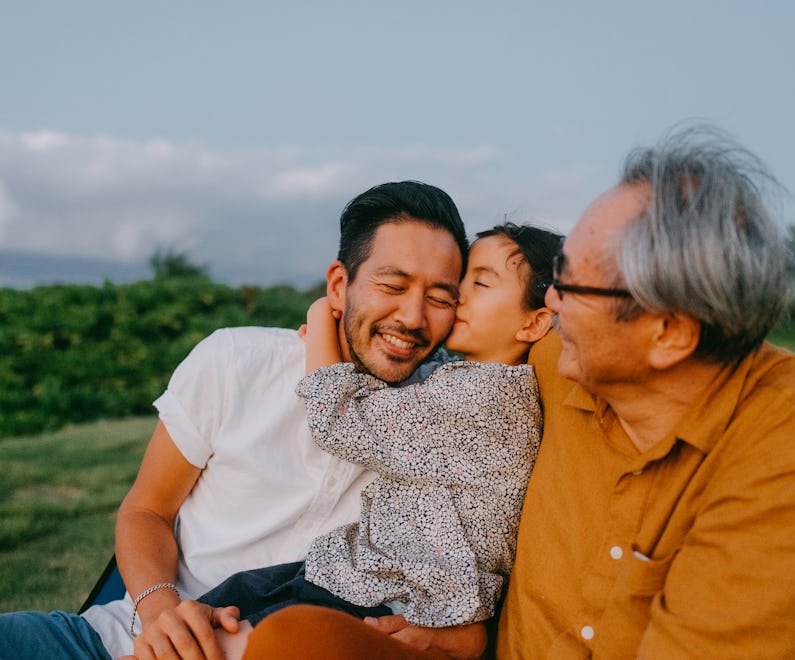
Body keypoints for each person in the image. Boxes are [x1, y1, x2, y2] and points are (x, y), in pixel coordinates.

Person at [241, 125, 795, 659]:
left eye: (569, 284)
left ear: (669, 333)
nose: (549, 303)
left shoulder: (791, 455)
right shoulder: (556, 357)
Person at [0, 180, 486, 660]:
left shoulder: (450, 415)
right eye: (393, 285)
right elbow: (147, 509)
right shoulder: (235, 361)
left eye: (441, 298)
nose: (413, 317)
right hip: (119, 640)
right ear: (339, 285)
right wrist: (162, 613)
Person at [180, 223, 560, 659]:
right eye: (458, 285)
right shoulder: (475, 382)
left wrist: (322, 316)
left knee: (220, 640)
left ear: (534, 322)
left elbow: (341, 419)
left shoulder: (489, 398)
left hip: (394, 595)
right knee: (222, 606)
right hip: (367, 575)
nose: (458, 297)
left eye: (480, 283)